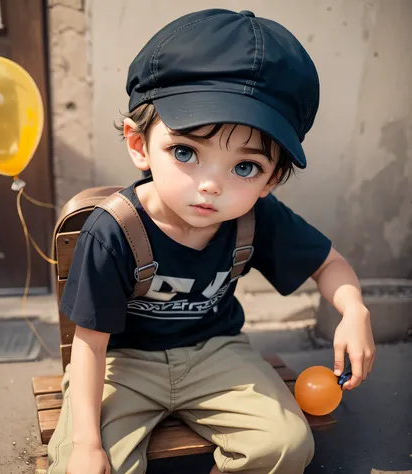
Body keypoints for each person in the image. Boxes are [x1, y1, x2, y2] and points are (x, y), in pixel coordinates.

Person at [47, 9, 375, 474]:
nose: (210, 186)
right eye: (185, 152)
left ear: (271, 180)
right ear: (139, 144)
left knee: (285, 446)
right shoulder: (112, 232)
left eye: (245, 167)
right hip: (123, 363)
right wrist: (86, 443)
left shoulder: (257, 219)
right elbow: (90, 345)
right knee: (88, 466)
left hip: (216, 352)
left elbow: (329, 265)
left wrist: (354, 310)